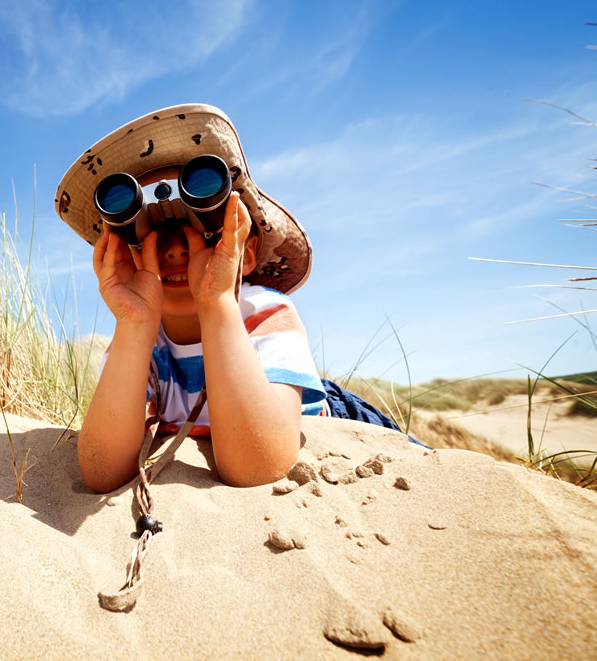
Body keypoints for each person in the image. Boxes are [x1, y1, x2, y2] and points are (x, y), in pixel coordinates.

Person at [55, 104, 402, 494]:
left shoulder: (264, 313)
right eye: (150, 230)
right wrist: (134, 324)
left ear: (245, 253)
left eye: (199, 224)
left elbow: (258, 467)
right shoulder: (139, 342)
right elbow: (102, 471)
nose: (174, 249)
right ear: (122, 255)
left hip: (307, 408)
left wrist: (218, 300)